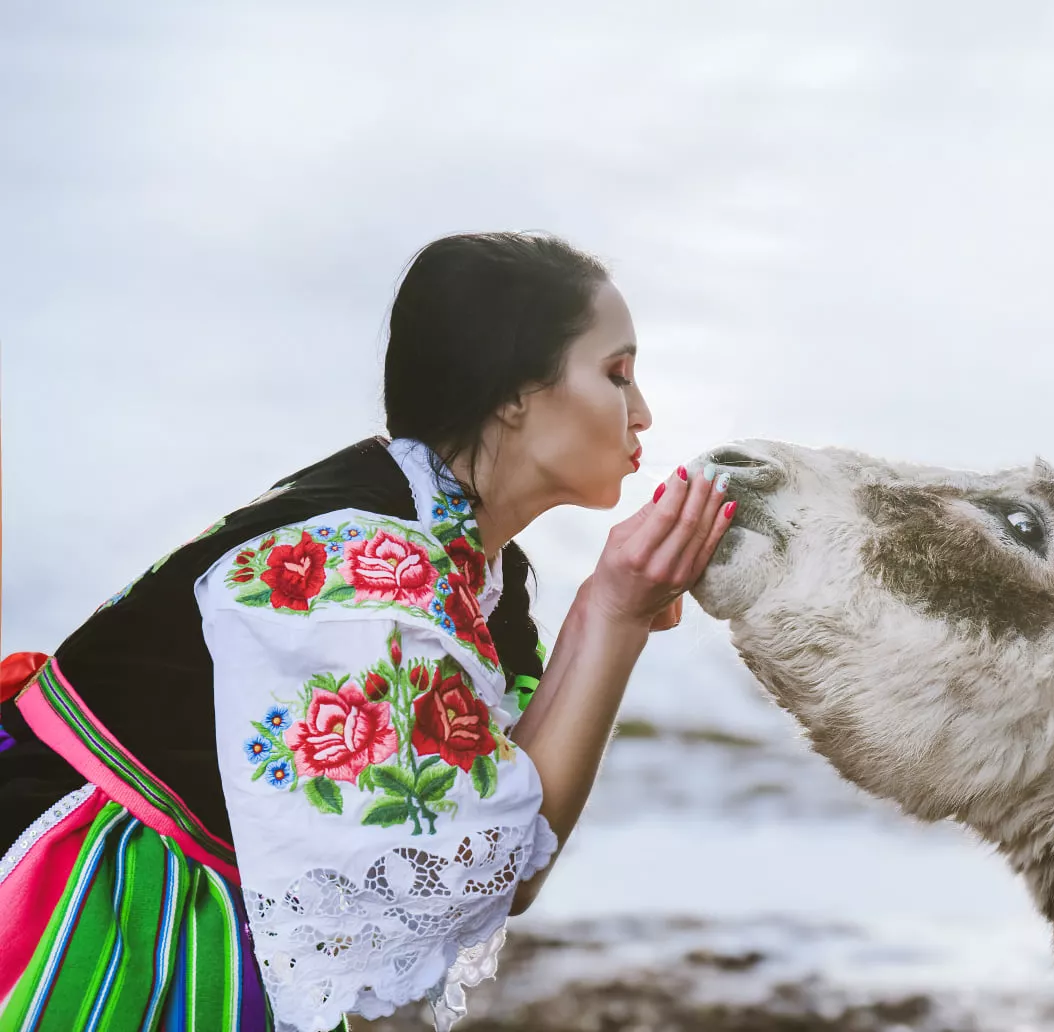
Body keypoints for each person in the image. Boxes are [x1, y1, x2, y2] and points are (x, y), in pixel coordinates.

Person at [0, 232, 737, 1032]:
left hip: (204, 882)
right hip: (103, 893)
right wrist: (612, 615)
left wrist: (609, 613)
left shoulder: (481, 566)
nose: (643, 412)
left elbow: (513, 836)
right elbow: (482, 865)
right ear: (516, 393)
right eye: (616, 373)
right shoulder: (363, 561)